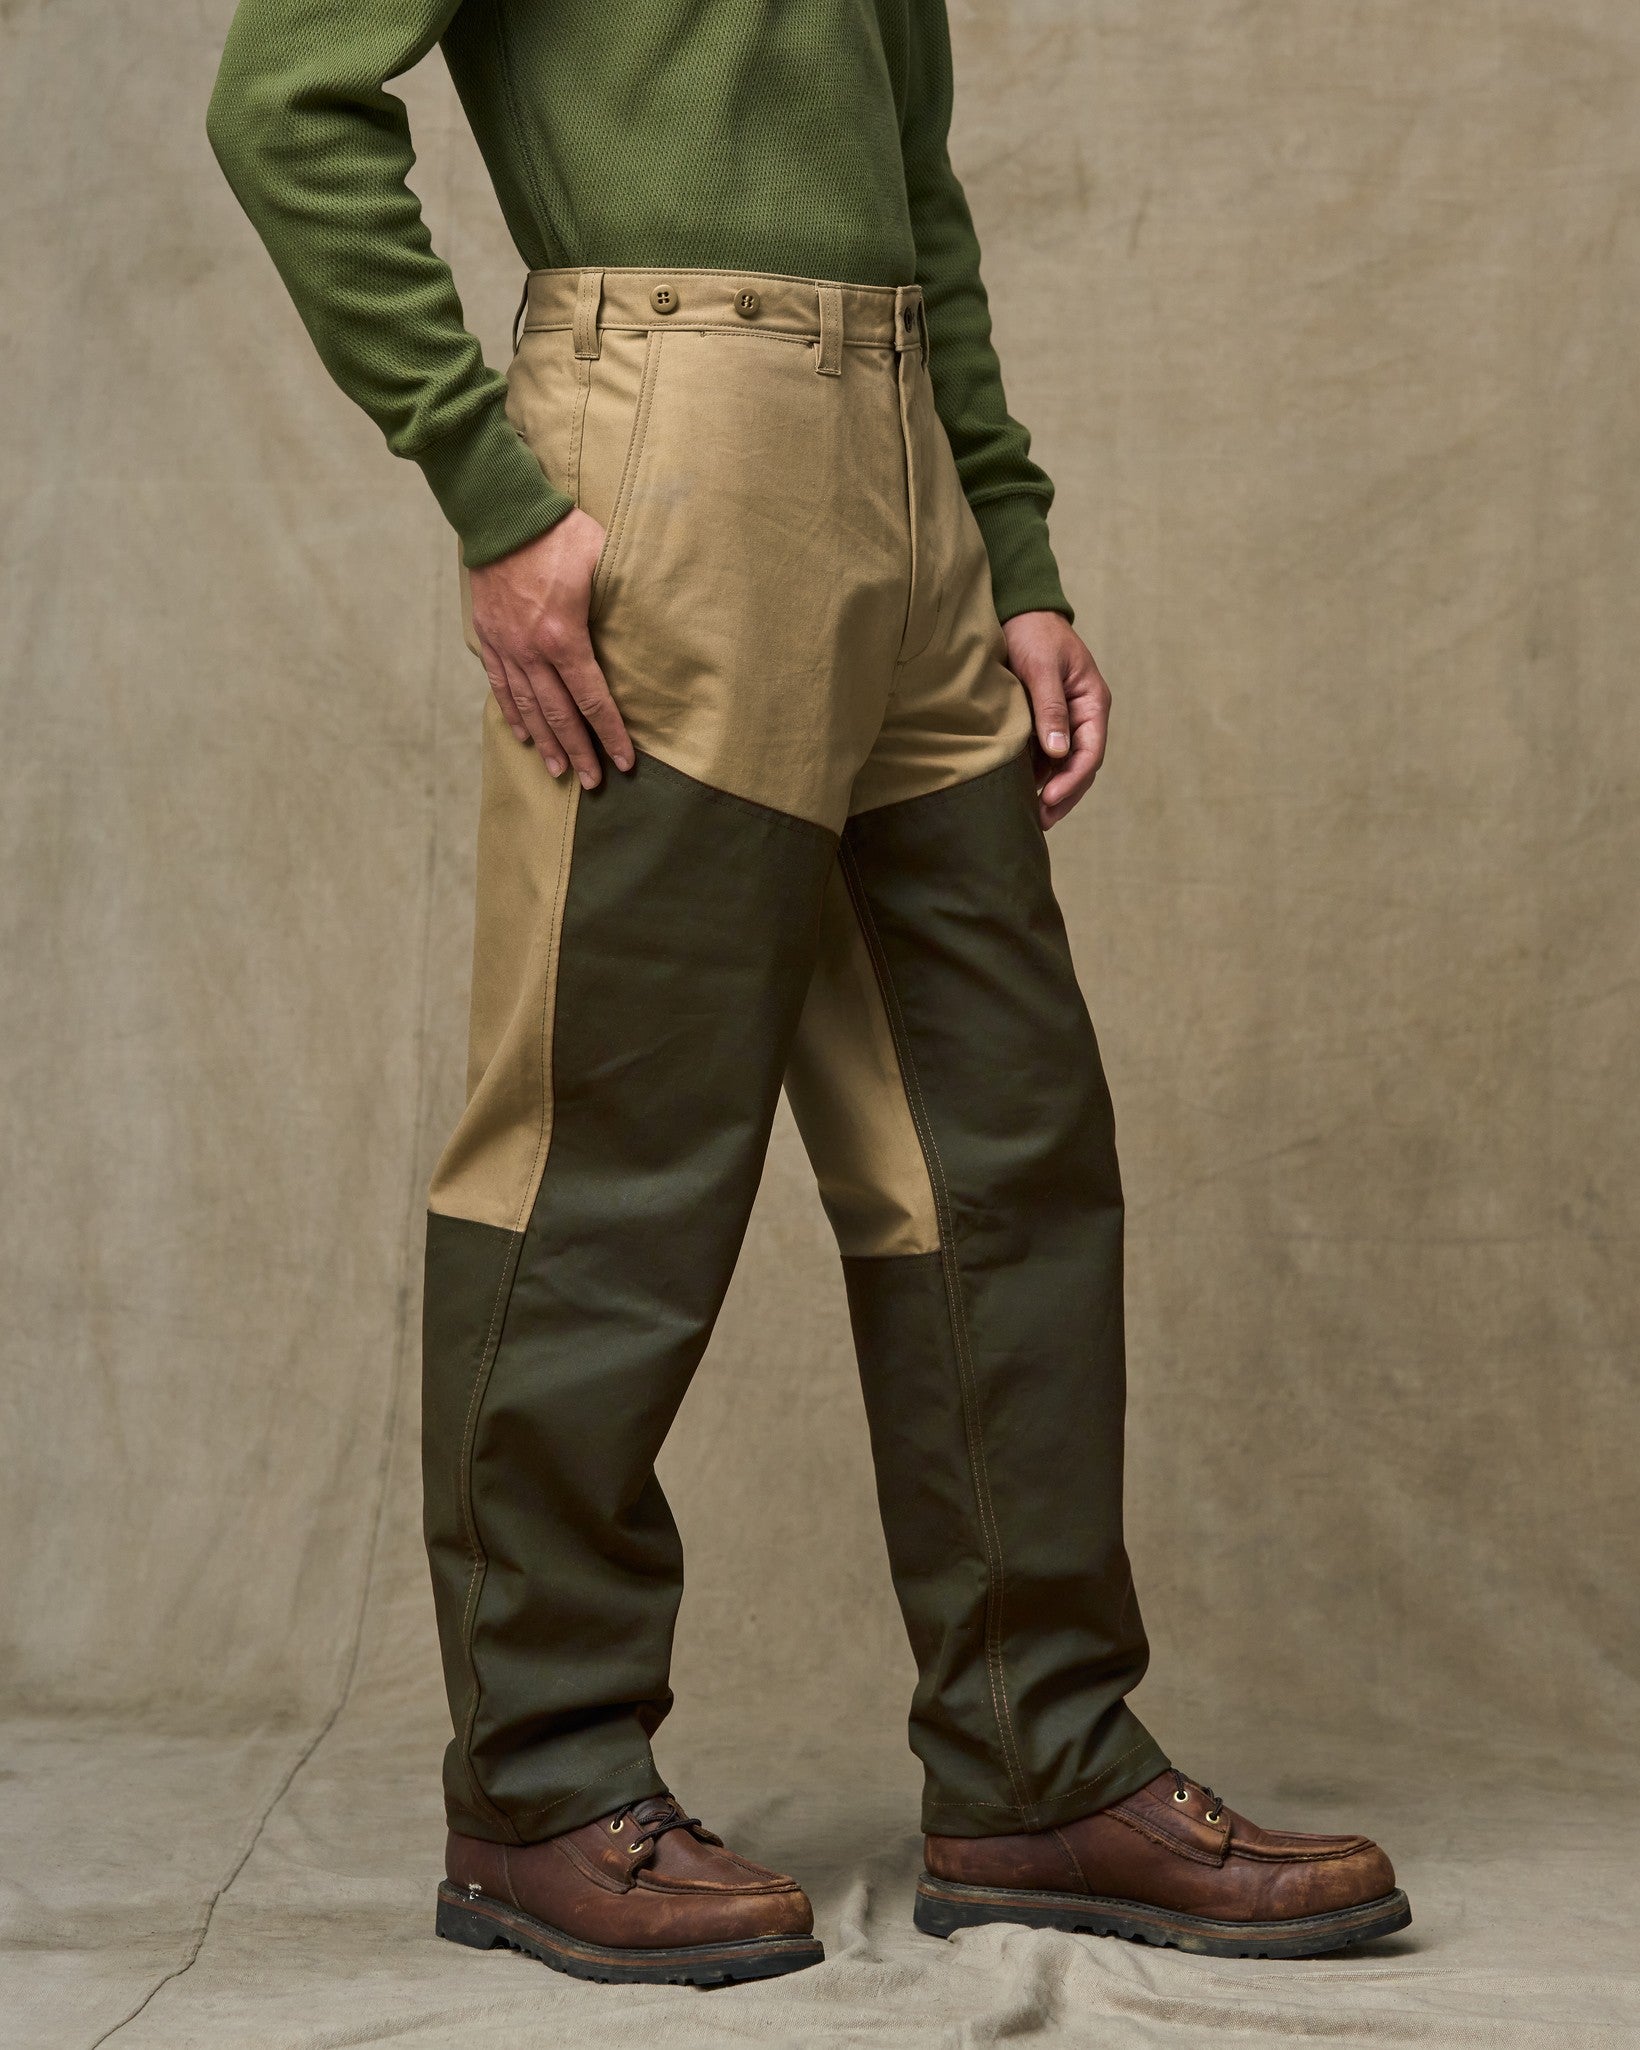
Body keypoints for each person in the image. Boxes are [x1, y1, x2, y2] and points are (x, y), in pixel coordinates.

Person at [206, 0, 1410, 1988]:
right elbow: (280, 105)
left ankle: (1037, 1759)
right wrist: (491, 491)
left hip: (904, 473)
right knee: (612, 1150)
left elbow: (913, 183)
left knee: (1003, 1144)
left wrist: (1011, 543)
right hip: (676, 456)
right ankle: (540, 1785)